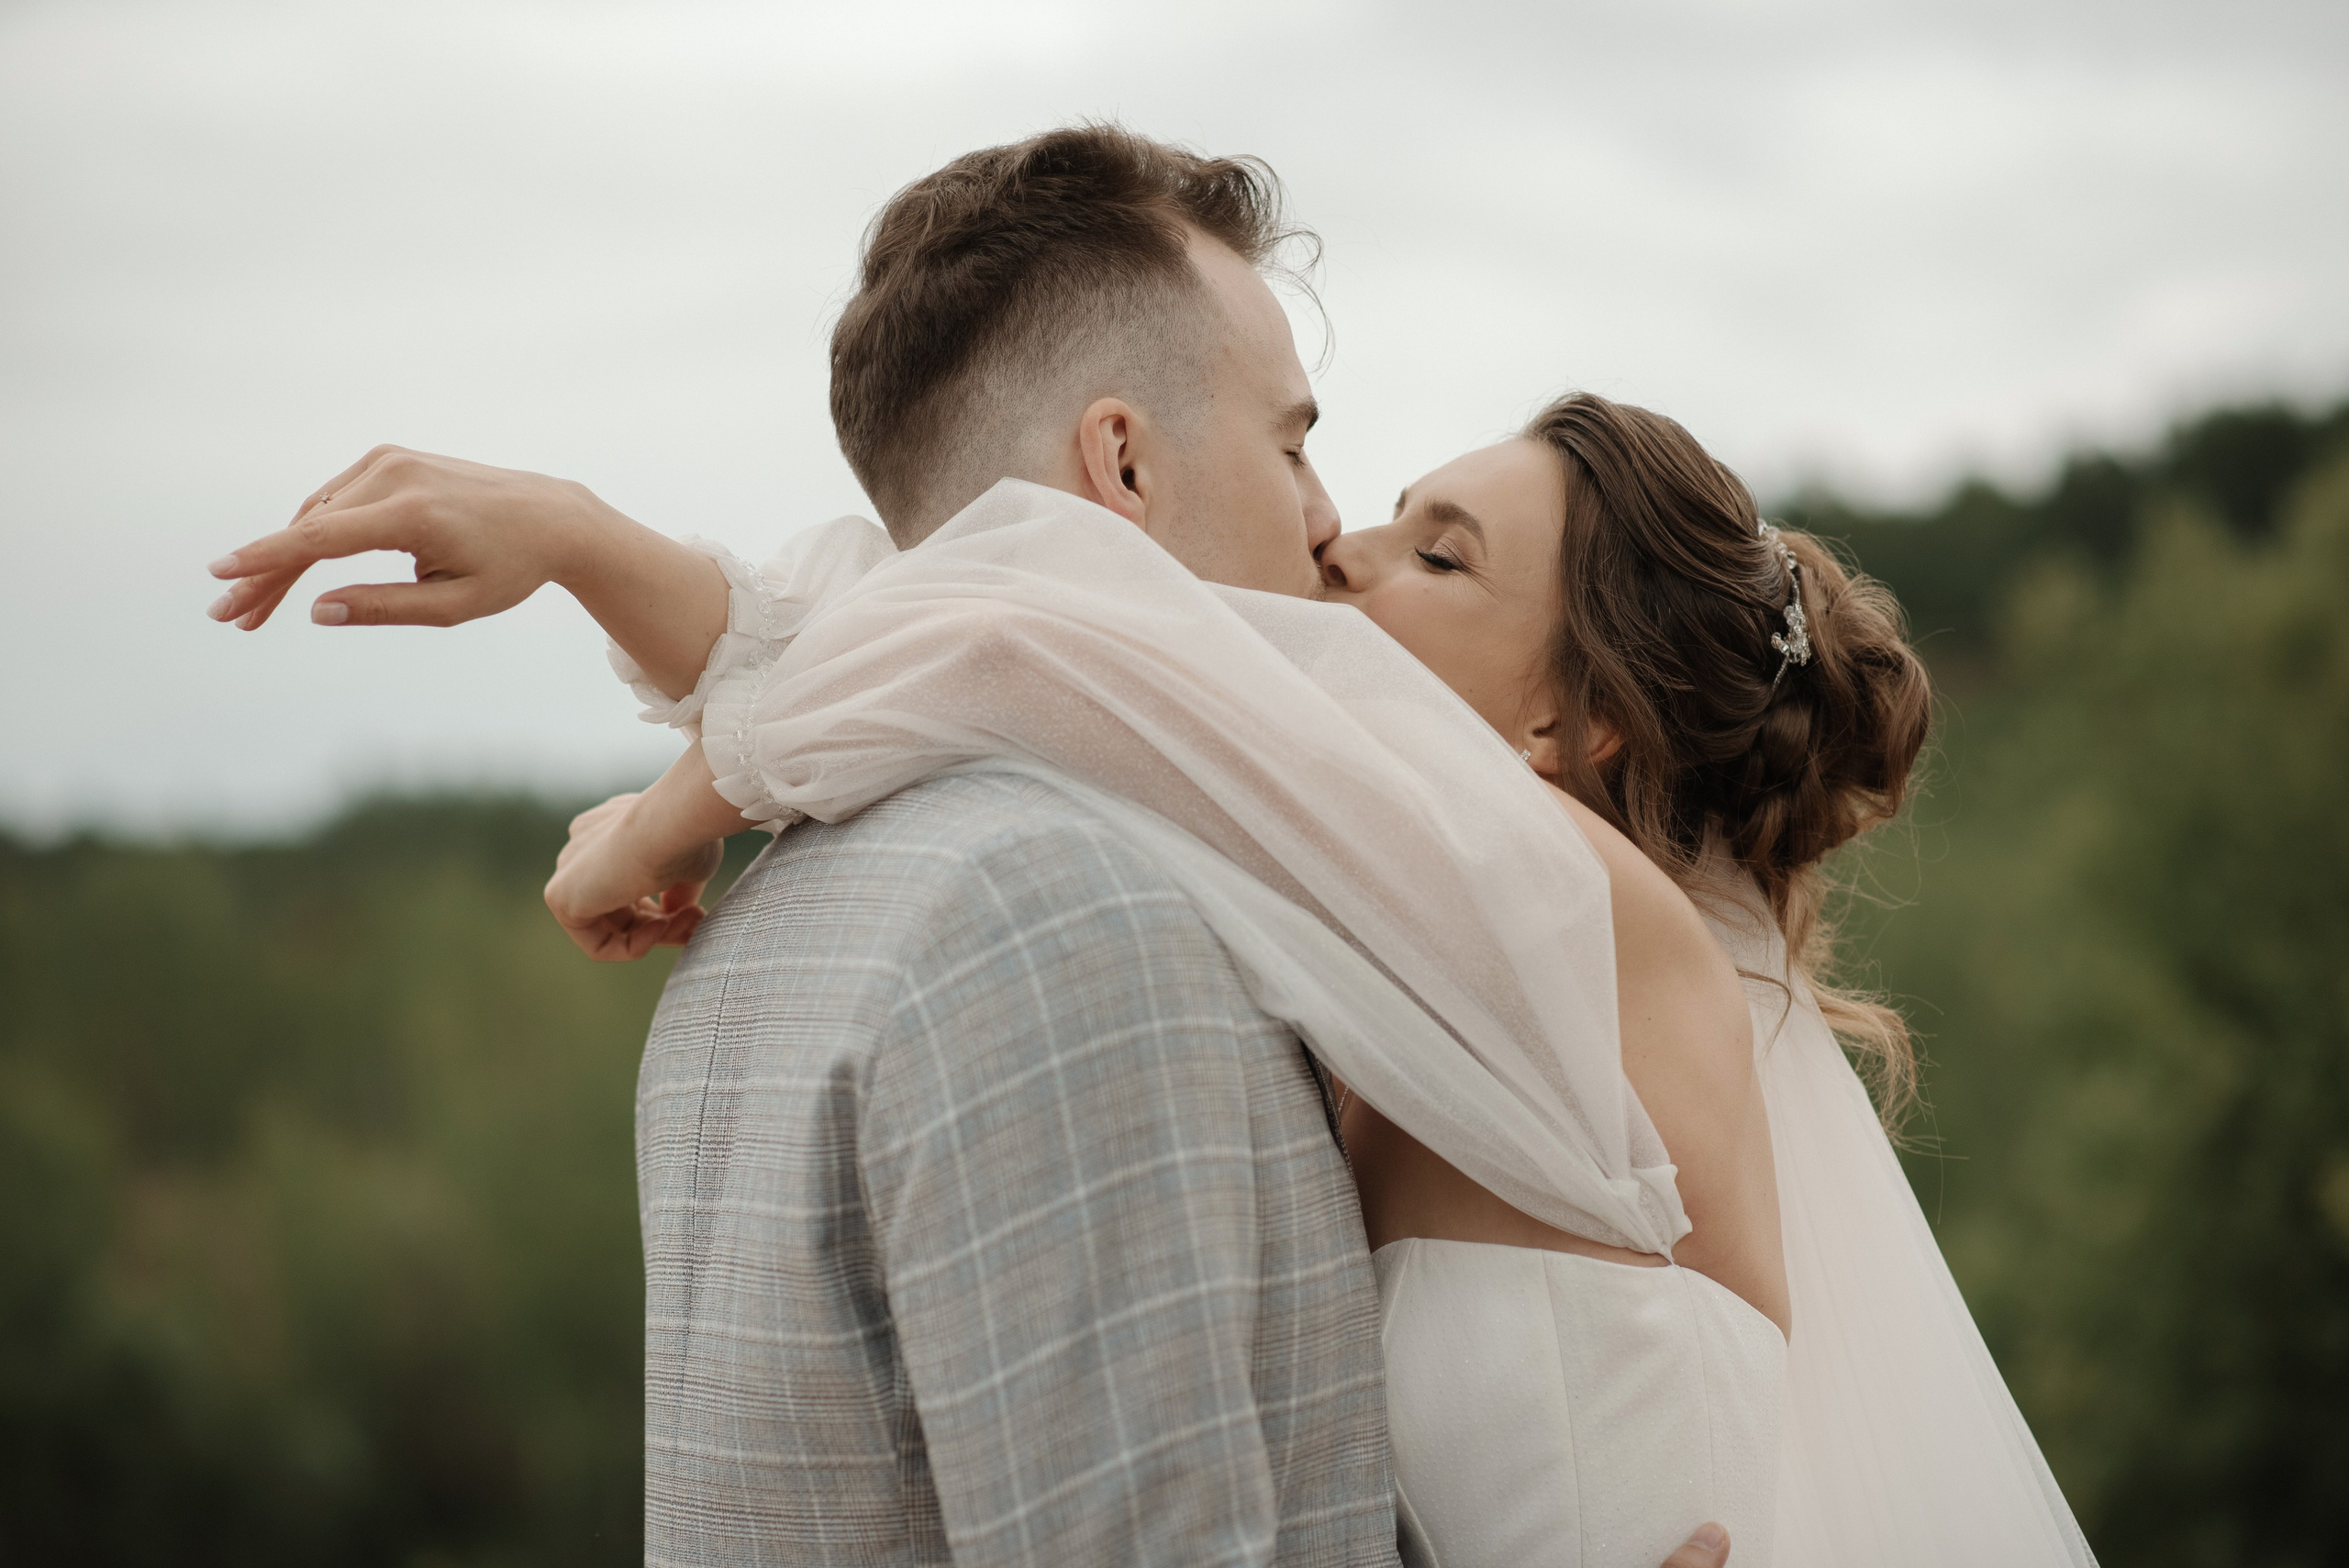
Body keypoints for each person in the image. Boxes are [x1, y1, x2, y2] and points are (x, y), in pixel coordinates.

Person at [202, 124, 2092, 1565]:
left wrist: (675, 778)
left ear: (1562, 724)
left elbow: (1013, 623)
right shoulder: (1316, 906)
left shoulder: (1564, 909)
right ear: (1120, 455)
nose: (1337, 537)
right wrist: (642, 660)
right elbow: (1013, 627)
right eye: (1308, 456)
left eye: (1442, 556)